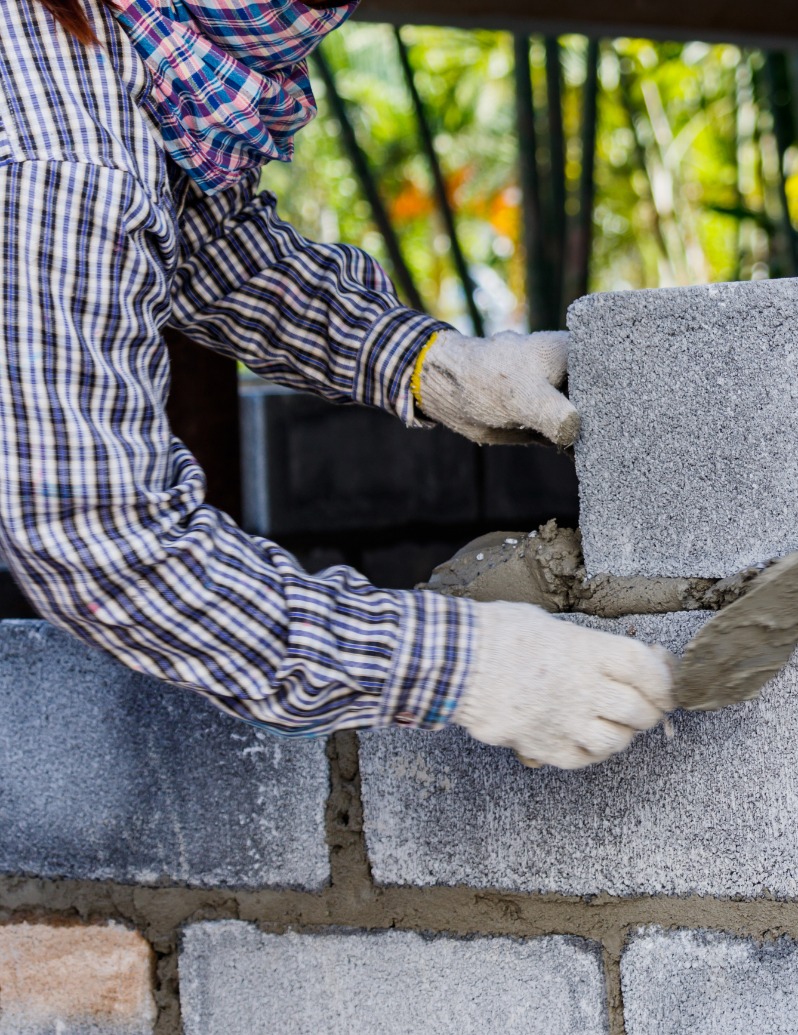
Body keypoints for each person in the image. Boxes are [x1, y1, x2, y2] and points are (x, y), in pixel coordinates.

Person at [0, 0, 675, 769]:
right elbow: (97, 540)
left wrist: (429, 363)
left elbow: (210, 248)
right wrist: (465, 665)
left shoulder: (113, 45)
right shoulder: (57, 154)